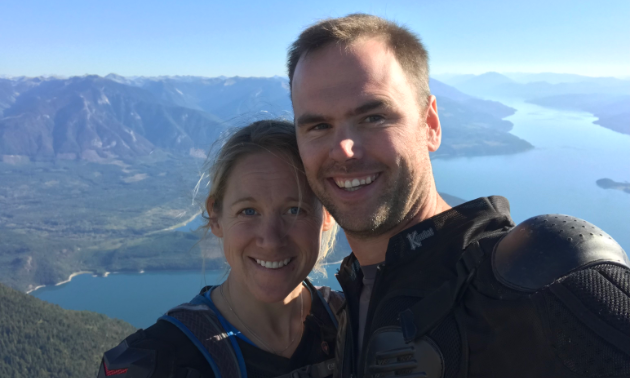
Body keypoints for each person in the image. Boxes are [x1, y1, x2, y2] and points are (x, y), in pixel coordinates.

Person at [288, 14, 630, 378]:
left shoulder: (545, 281)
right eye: (319, 126)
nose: (343, 149)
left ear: (430, 125)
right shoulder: (353, 298)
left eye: (373, 117)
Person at [97, 120, 343, 378]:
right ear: (215, 217)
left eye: (295, 209)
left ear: (327, 213)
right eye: (248, 211)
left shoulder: (362, 323)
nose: (271, 239)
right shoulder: (158, 363)